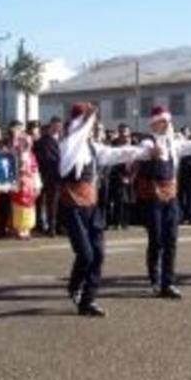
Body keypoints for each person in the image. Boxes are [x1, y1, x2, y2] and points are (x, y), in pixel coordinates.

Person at [59, 103, 141, 317]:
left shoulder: (94, 147)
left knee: (99, 254)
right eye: (89, 121)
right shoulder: (67, 146)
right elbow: (76, 139)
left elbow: (119, 152)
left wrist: (146, 151)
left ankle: (88, 300)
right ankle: (74, 285)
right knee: (85, 255)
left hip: (92, 207)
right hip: (73, 208)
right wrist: (88, 118)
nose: (94, 126)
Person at [134, 106, 191, 298]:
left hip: (171, 198)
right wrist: (151, 152)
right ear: (154, 123)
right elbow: (140, 151)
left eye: (168, 121)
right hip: (153, 200)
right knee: (156, 240)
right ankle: (155, 278)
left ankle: (168, 282)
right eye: (163, 121)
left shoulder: (174, 144)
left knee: (171, 241)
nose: (167, 124)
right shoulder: (147, 142)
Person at [10, 134, 42, 239]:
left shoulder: (31, 156)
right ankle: (19, 228)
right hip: (19, 183)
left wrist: (37, 185)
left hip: (29, 184)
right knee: (19, 206)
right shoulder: (15, 155)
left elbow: (35, 171)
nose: (25, 144)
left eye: (27, 143)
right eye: (23, 142)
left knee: (29, 206)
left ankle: (27, 228)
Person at [34, 117, 62, 236]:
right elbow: (38, 158)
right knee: (40, 202)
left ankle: (52, 227)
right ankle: (40, 225)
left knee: (53, 203)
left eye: (59, 126)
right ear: (51, 126)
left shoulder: (63, 141)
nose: (57, 128)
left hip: (56, 177)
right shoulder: (42, 141)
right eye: (54, 126)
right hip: (44, 175)